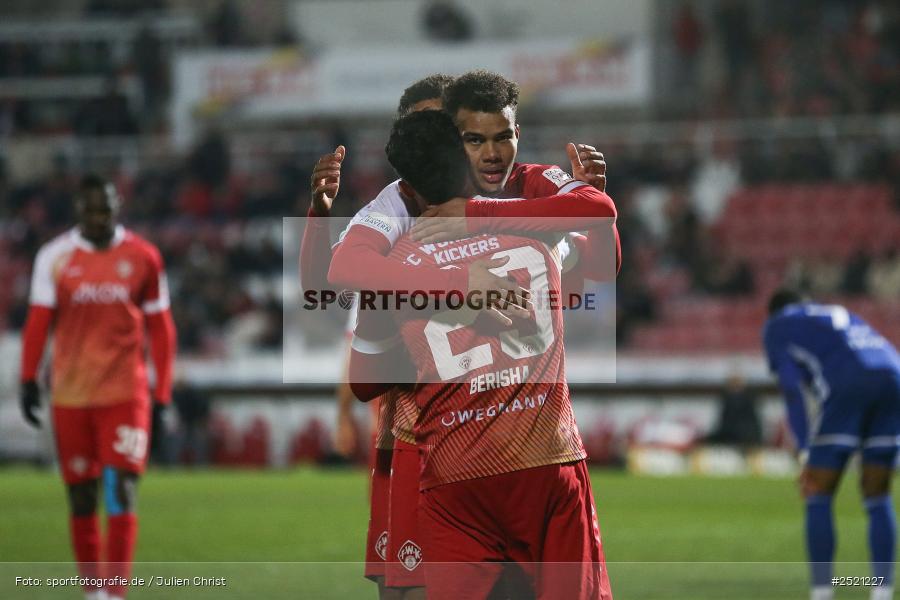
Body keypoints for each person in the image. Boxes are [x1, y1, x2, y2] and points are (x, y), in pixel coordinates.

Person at [350, 109, 614, 600]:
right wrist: (585, 190)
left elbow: (365, 384)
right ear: (466, 162)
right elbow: (601, 257)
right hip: (546, 459)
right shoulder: (539, 234)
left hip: (455, 478)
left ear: (405, 189)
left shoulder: (387, 274)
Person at [19, 174, 176, 600]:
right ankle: (94, 592)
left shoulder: (143, 257)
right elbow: (38, 323)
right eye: (90, 210)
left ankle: (115, 592)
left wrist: (162, 395)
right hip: (71, 396)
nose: (98, 217)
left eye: (105, 208)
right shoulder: (54, 257)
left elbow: (161, 329)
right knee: (81, 496)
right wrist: (28, 378)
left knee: (122, 487)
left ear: (117, 207)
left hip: (126, 394)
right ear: (78, 211)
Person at [763, 289, 900, 600]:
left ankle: (823, 591)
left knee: (817, 491)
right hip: (894, 378)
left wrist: (805, 449)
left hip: (849, 384)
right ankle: (882, 592)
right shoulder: (833, 313)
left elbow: (791, 388)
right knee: (877, 494)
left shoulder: (776, 326)